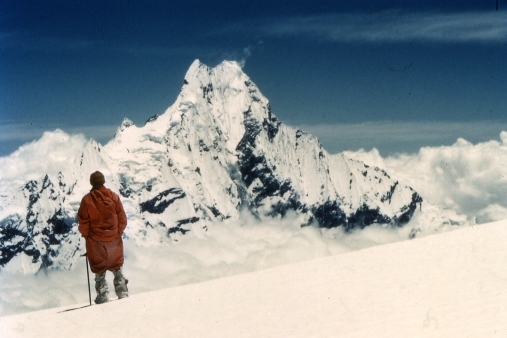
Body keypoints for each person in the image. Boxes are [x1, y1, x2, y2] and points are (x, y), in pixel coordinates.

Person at [77, 171, 129, 304]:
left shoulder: (87, 200)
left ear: (91, 183)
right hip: (114, 239)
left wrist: (87, 236)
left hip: (96, 241)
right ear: (103, 181)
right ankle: (122, 291)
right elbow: (122, 217)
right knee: (117, 266)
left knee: (99, 270)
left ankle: (102, 295)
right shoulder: (114, 197)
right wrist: (118, 233)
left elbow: (83, 222)